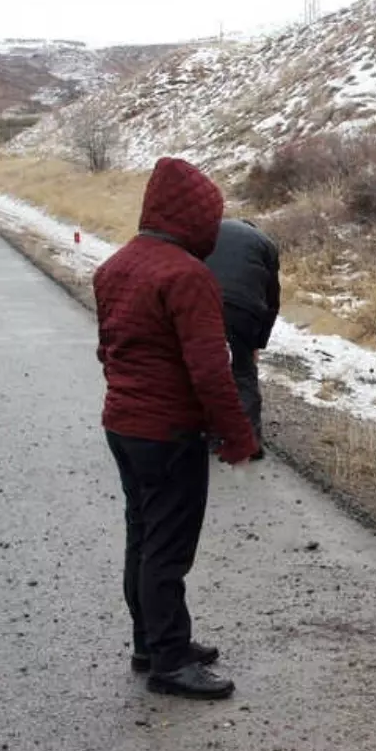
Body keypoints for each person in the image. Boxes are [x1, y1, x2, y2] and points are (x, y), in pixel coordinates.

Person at [93, 157, 259, 701]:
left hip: (124, 425)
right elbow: (212, 369)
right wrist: (238, 436)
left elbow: (108, 350)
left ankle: (153, 642)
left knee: (143, 536)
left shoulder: (116, 266)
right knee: (167, 547)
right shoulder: (187, 275)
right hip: (168, 433)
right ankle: (168, 660)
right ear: (194, 219)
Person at [204, 217, 281, 458]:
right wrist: (256, 343)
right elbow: (272, 301)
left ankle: (201, 431)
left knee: (200, 365)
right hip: (244, 310)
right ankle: (248, 444)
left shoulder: (208, 230)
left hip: (202, 300)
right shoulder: (266, 244)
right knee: (243, 372)